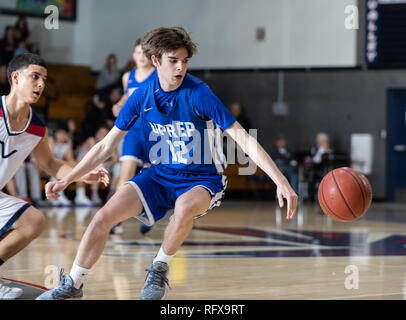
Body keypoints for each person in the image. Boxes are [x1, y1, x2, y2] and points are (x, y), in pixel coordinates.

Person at [36, 27, 297, 301]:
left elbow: (244, 140)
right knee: (102, 217)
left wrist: (281, 181)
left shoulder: (199, 93)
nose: (180, 67)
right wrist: (68, 179)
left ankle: (159, 267)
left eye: (185, 61)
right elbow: (105, 145)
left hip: (203, 179)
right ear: (156, 61)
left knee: (183, 208)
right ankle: (73, 285)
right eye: (173, 60)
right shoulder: (141, 95)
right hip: (159, 175)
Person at [0, 53, 110, 299]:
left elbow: (50, 163)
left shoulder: (37, 127)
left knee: (33, 221)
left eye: (44, 79)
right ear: (16, 78)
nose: (41, 84)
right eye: (35, 77)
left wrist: (83, 174)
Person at [110, 38, 156, 235]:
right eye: (138, 52)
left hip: (154, 132)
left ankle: (150, 212)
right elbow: (126, 97)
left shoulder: (157, 74)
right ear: (133, 55)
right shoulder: (127, 76)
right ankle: (115, 217)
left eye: (145, 53)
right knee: (125, 172)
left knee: (151, 175)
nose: (141, 56)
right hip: (133, 131)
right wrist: (118, 104)